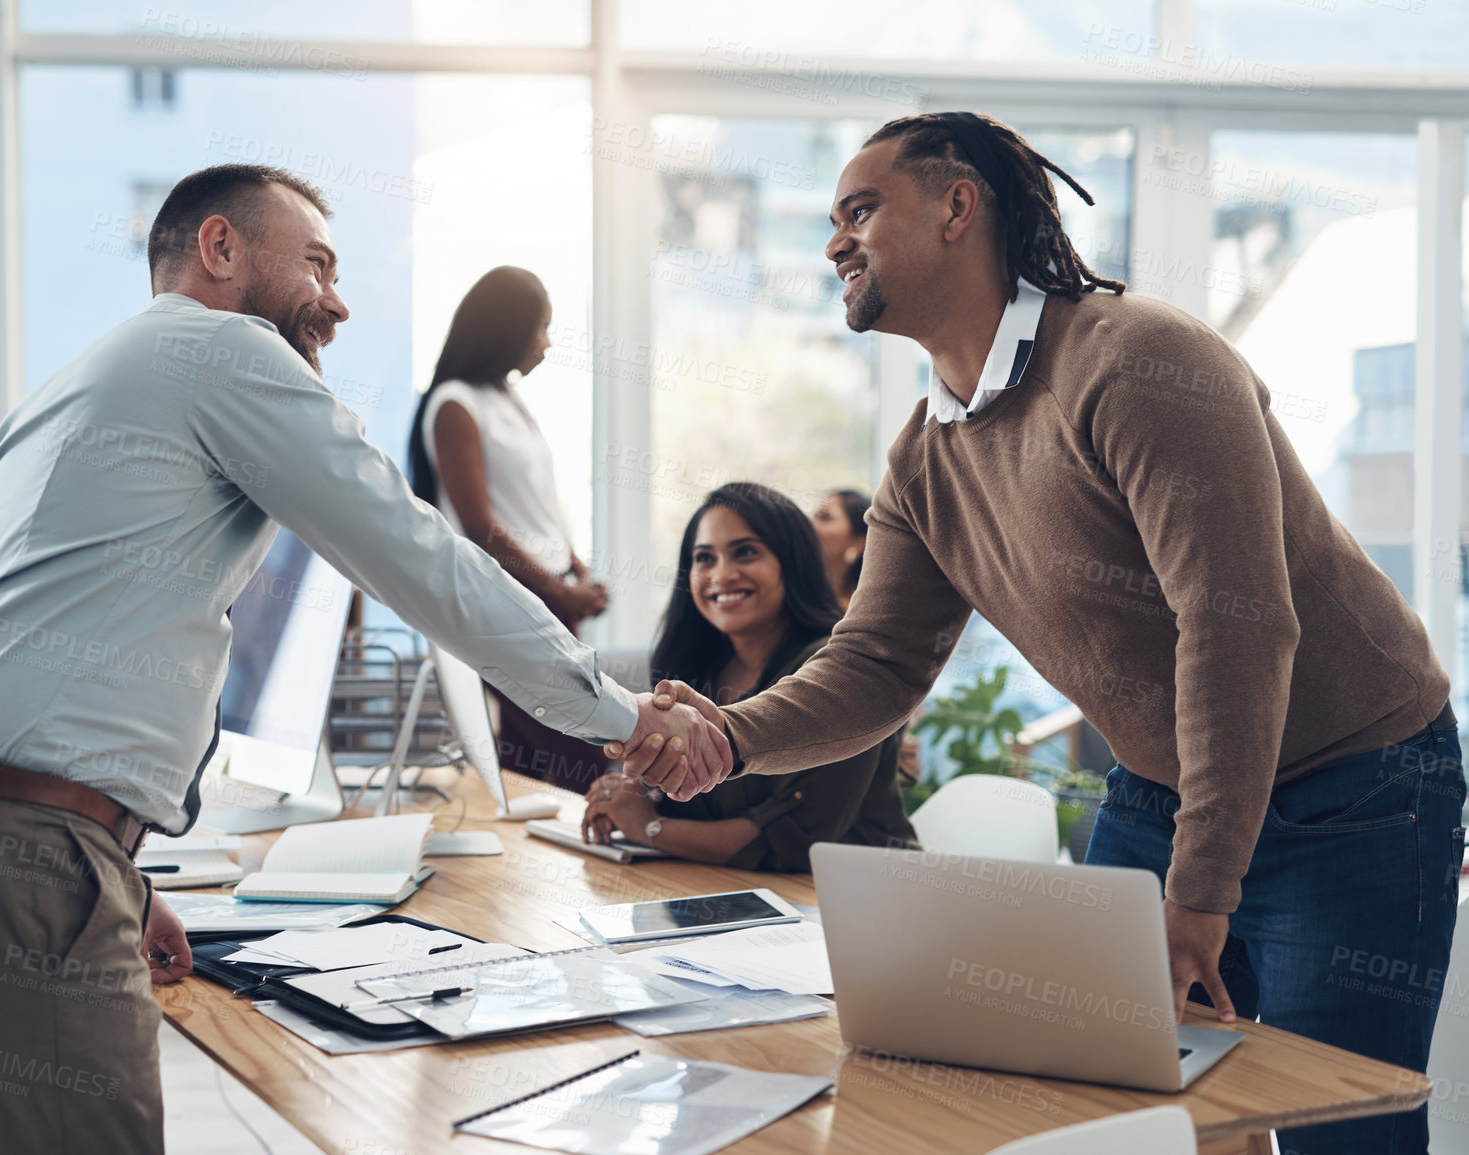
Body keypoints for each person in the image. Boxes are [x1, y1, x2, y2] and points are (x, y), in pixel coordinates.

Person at [614, 112, 1460, 1155]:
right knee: (1127, 1114)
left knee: (1343, 1128)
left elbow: (1237, 630)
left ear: (958, 207)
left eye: (861, 211)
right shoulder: (927, 457)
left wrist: (1201, 890)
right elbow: (876, 662)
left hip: (1356, 785)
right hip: (1163, 792)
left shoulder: (1141, 362)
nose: (833, 242)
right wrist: (732, 734)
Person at [0, 164, 727, 1155]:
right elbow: (420, 554)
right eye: (316, 264)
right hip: (16, 846)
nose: (338, 299)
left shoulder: (82, 380)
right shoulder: (222, 348)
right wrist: (625, 718)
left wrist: (121, 880)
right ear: (221, 249)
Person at [582, 482, 916, 869]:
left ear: (793, 562)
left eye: (745, 552)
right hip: (730, 895)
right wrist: (630, 796)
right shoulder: (699, 664)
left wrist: (649, 829)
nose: (721, 575)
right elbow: (690, 800)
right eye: (705, 558)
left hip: (864, 899)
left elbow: (790, 842)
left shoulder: (838, 672)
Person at [408, 266, 613, 792]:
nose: (546, 342)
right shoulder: (456, 403)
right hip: (515, 601)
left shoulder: (508, 398)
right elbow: (481, 528)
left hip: (551, 597)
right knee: (578, 754)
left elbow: (538, 503)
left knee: (527, 757)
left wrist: (577, 573)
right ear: (506, 328)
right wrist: (560, 589)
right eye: (540, 326)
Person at [811, 488, 871, 608]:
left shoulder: (863, 610)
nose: (811, 524)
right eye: (815, 516)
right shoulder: (788, 591)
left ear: (860, 543)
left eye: (825, 517)